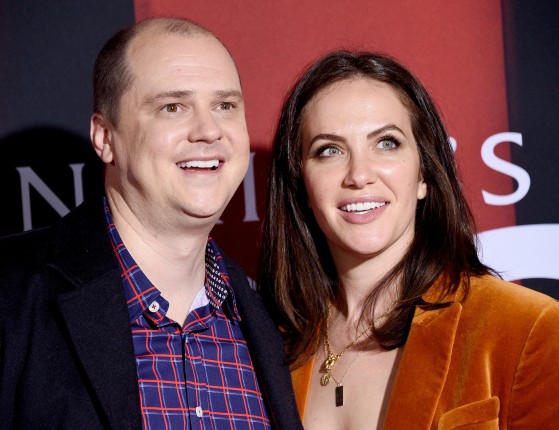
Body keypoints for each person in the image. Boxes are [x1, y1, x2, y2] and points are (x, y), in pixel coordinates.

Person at [0, 17, 302, 430]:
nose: (208, 130)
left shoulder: (273, 324)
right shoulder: (11, 294)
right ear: (105, 137)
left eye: (225, 106)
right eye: (172, 107)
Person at [259, 50, 559, 429]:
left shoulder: (527, 329)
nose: (359, 175)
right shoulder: (266, 346)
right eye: (329, 150)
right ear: (301, 184)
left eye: (386, 143)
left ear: (423, 175)